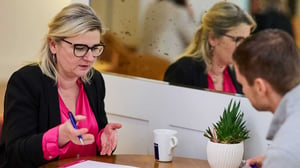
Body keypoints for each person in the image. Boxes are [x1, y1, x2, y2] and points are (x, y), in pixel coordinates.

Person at [0, 3, 122, 167]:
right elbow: (15, 153)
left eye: (95, 48)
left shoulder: (94, 81)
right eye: (80, 48)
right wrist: (58, 137)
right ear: (53, 45)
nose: (89, 57)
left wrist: (102, 140)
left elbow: (97, 148)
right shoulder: (26, 82)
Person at [233, 29, 300, 167]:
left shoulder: (285, 152)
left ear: (259, 87)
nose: (243, 90)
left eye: (242, 84)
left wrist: (278, 161)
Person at [164, 1, 256, 94]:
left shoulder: (238, 78)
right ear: (213, 38)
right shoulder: (183, 72)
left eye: (245, 41)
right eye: (237, 40)